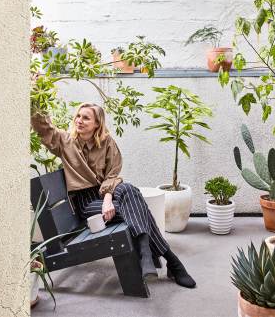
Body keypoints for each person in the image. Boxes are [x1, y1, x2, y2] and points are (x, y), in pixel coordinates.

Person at [31, 102, 196, 288]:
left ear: (97, 124)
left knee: (129, 189)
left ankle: (148, 253)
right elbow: (43, 129)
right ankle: (170, 261)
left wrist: (108, 198)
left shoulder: (107, 143)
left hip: (106, 193)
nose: (79, 120)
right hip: (87, 202)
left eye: (86, 118)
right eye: (78, 116)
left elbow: (113, 175)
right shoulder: (65, 141)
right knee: (138, 208)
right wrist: (35, 94)